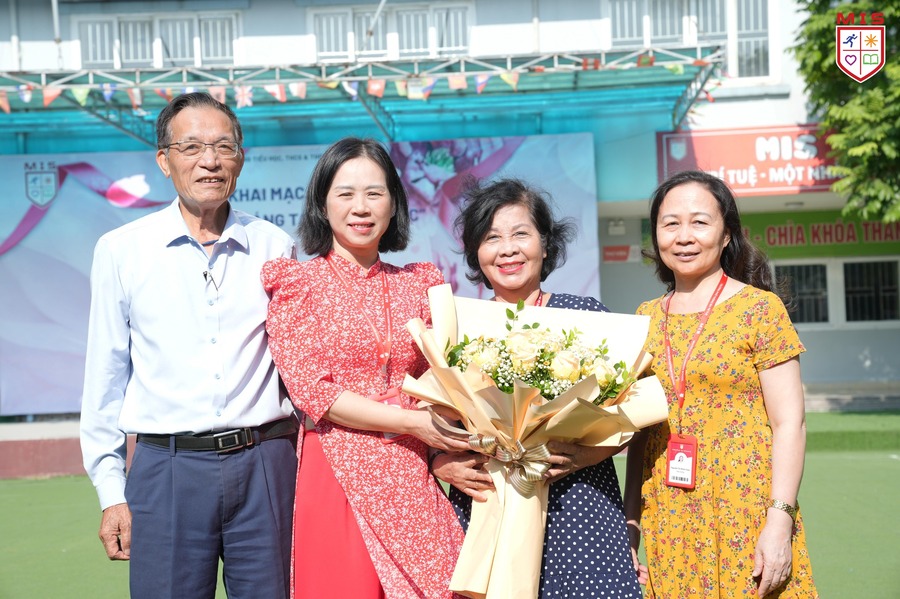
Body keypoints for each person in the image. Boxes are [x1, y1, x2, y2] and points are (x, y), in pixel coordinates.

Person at [79, 92, 299, 599]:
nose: (210, 161)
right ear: (164, 160)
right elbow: (104, 378)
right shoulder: (122, 251)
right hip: (168, 469)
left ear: (240, 158)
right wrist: (111, 491)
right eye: (192, 146)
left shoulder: (275, 246)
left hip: (266, 462)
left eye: (224, 146)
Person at [261, 137, 469, 598]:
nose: (361, 207)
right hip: (337, 468)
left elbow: (448, 373)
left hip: (411, 469)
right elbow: (314, 393)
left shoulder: (418, 283)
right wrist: (413, 421)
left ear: (394, 204)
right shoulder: (298, 284)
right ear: (322, 204)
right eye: (346, 193)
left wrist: (433, 425)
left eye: (375, 193)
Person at [432, 177, 645, 598]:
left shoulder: (586, 316)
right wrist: (441, 462)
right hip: (489, 507)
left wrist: (588, 454)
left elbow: (633, 412)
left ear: (545, 245)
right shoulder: (458, 329)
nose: (507, 249)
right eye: (491, 238)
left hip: (580, 505)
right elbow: (432, 422)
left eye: (520, 234)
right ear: (476, 252)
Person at [624, 170, 818, 598]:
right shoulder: (644, 318)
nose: (684, 236)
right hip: (668, 517)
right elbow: (640, 435)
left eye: (699, 222)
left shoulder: (760, 309)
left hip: (745, 510)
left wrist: (779, 520)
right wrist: (630, 526)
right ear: (656, 235)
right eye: (670, 223)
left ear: (727, 233)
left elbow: (790, 424)